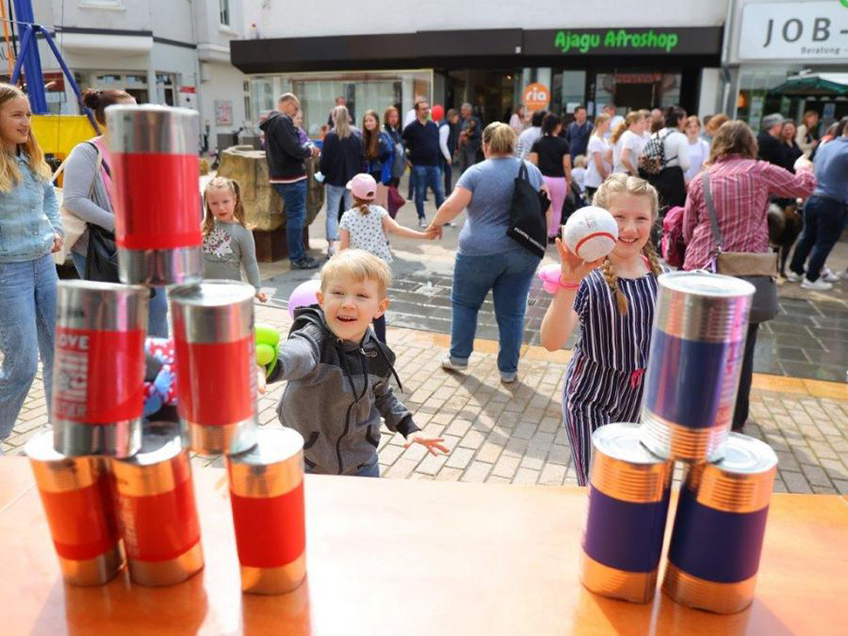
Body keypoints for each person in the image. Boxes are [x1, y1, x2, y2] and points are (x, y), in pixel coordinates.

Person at [263, 249, 449, 476]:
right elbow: (297, 353)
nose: (348, 304)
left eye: (361, 296)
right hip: (308, 462)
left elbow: (381, 394)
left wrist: (408, 427)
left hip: (363, 463)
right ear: (322, 300)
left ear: (380, 308)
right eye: (338, 293)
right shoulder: (313, 339)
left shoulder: (378, 353)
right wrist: (268, 364)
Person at [683, 121, 815, 432]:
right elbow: (804, 187)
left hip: (703, 270)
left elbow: (689, 230)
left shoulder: (701, 178)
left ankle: (695, 410)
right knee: (742, 349)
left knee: (700, 343)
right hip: (746, 274)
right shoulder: (759, 170)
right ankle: (733, 419)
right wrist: (804, 164)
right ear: (749, 145)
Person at [540, 174, 665, 486]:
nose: (630, 228)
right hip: (589, 400)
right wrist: (569, 281)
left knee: (626, 486)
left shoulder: (661, 276)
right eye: (619, 217)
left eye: (641, 218)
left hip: (637, 401)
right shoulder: (589, 277)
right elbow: (551, 341)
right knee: (600, 487)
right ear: (601, 221)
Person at [427, 123, 544, 384]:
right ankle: (508, 370)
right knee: (512, 313)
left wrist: (435, 225)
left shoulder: (475, 173)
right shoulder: (532, 171)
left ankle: (458, 357)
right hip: (523, 250)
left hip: (478, 252)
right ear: (513, 145)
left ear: (485, 145)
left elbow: (451, 206)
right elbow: (544, 210)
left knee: (465, 304)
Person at [63, 88, 169, 338]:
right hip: (104, 248)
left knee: (156, 308)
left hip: (145, 244)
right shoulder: (87, 152)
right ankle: (122, 371)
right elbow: (73, 200)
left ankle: (158, 368)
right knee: (115, 318)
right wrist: (119, 223)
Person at [0, 83, 62, 443]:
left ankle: (62, 433)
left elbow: (50, 196)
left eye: (28, 114)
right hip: (9, 272)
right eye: (17, 115)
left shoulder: (32, 157)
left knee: (62, 350)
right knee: (21, 365)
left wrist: (54, 229)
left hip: (44, 266)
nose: (26, 122)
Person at [339, 174, 436, 342]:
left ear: (353, 194)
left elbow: (343, 248)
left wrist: (335, 265)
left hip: (358, 268)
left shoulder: (347, 217)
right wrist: (424, 236)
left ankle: (358, 341)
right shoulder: (379, 212)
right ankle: (381, 344)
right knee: (377, 306)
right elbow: (398, 229)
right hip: (379, 268)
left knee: (359, 303)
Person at [260, 93, 320, 270]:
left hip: (281, 176)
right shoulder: (282, 120)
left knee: (294, 216)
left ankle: (298, 254)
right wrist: (309, 151)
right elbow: (293, 148)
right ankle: (297, 257)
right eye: (295, 107)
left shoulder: (273, 121)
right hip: (291, 177)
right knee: (296, 217)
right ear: (286, 103)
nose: (297, 111)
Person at [787, 118, 847, 291]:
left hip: (813, 198)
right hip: (834, 202)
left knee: (807, 237)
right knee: (824, 242)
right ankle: (812, 278)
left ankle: (796, 271)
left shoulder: (826, 145)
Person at [201, 176, 267, 302]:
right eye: (214, 203)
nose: (221, 207)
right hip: (207, 292)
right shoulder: (204, 227)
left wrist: (256, 288)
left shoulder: (243, 230)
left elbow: (250, 261)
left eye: (225, 201)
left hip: (232, 293)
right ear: (208, 204)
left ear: (235, 199)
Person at [319, 105, 365, 257]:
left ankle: (332, 246)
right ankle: (348, 244)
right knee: (349, 212)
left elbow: (324, 161)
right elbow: (361, 159)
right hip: (351, 181)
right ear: (348, 117)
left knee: (332, 213)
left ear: (334, 118)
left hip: (334, 180)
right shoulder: (356, 136)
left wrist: (323, 174)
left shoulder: (330, 136)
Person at [402, 99, 445, 228]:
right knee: (420, 191)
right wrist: (406, 158)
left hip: (434, 164)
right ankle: (422, 217)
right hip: (418, 164)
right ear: (417, 111)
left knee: (439, 191)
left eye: (427, 108)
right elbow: (402, 143)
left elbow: (436, 143)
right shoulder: (411, 128)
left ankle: (442, 218)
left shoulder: (433, 125)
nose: (427, 111)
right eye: (423, 109)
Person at [529, 112, 572, 239]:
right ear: (558, 126)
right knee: (558, 208)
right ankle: (552, 234)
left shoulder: (538, 142)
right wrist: (568, 181)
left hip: (542, 179)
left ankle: (541, 232)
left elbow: (533, 163)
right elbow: (566, 165)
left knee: (542, 207)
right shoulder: (563, 143)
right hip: (559, 180)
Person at [651, 105, 690, 209]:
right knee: (672, 211)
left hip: (654, 175)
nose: (686, 120)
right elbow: (685, 164)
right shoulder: (680, 137)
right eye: (685, 118)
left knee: (657, 208)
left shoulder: (656, 134)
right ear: (679, 120)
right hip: (673, 178)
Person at [361, 109, 392, 209]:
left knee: (378, 205)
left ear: (377, 122)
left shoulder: (381, 137)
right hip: (373, 174)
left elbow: (388, 152)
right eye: (366, 121)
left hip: (381, 174)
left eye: (371, 120)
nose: (368, 123)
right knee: (381, 205)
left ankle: (384, 224)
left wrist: (378, 160)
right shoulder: (368, 137)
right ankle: (386, 224)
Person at [382, 106, 406, 218]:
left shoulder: (395, 130)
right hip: (389, 167)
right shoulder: (384, 131)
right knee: (388, 194)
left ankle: (390, 216)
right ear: (386, 117)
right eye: (391, 116)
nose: (394, 118)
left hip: (397, 167)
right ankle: (387, 217)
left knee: (393, 192)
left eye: (396, 116)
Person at [584, 114, 612, 201]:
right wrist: (605, 177)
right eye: (608, 124)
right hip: (594, 180)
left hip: (602, 179)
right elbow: (598, 163)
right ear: (600, 124)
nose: (609, 126)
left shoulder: (604, 140)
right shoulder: (595, 140)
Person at [611, 111, 646, 176]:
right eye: (641, 123)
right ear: (632, 124)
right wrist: (634, 172)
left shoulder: (626, 135)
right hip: (625, 175)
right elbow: (624, 158)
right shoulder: (629, 136)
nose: (644, 126)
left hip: (619, 174)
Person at [457, 102, 483, 173]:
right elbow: (457, 133)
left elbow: (478, 133)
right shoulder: (460, 121)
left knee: (471, 167)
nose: (462, 112)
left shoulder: (475, 120)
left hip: (471, 146)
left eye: (464, 110)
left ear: (469, 111)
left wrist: (469, 134)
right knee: (462, 167)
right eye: (462, 110)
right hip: (462, 146)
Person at [683, 115, 710, 183]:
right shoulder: (681, 144)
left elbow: (705, 165)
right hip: (682, 183)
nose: (693, 129)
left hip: (698, 183)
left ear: (699, 128)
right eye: (689, 127)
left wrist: (695, 181)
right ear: (685, 129)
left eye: (695, 126)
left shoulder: (704, 145)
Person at [440, 108, 460, 195]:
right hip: (443, 155)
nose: (457, 119)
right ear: (451, 117)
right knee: (444, 173)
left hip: (446, 153)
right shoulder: (446, 127)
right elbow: (442, 143)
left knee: (446, 173)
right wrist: (448, 156)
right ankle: (446, 191)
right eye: (456, 117)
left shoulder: (450, 126)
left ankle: (447, 191)